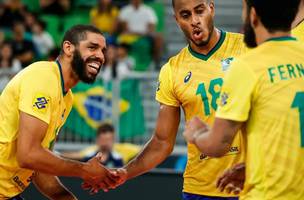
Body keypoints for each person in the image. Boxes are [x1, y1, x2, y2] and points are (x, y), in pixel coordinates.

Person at [95, 0, 248, 199]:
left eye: (199, 11)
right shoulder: (172, 70)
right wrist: (126, 172)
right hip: (200, 190)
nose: (194, 21)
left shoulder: (246, 48)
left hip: (252, 185)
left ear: (212, 8)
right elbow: (162, 142)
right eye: (185, 15)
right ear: (177, 20)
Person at [183, 0, 304, 199]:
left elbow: (217, 144)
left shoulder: (247, 66)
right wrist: (253, 166)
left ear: (253, 16)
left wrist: (197, 133)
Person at [0, 25, 117, 199]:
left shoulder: (66, 97)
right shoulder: (43, 78)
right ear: (68, 48)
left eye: (103, 51)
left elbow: (39, 165)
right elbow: (28, 155)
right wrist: (84, 170)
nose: (100, 56)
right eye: (92, 47)